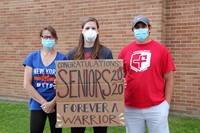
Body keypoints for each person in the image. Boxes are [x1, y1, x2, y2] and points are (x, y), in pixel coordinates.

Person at [118, 15, 176, 133]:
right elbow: (118, 77)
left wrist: (166, 105)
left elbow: (169, 78)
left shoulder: (162, 50)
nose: (140, 29)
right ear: (132, 30)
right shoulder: (125, 51)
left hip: (156, 106)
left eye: (143, 26)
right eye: (137, 27)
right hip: (131, 107)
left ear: (150, 28)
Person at [67, 17, 113, 133]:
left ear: (98, 31)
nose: (90, 30)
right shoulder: (72, 54)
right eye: (87, 28)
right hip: (77, 104)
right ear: (82, 30)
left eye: (93, 28)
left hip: (100, 104)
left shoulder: (106, 52)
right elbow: (67, 80)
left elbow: (111, 79)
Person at [23, 26, 67, 133]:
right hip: (37, 103)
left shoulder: (62, 59)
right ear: (40, 39)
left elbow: (66, 86)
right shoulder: (32, 57)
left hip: (56, 103)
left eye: (50, 37)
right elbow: (27, 84)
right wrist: (44, 103)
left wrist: (52, 103)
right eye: (45, 37)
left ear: (55, 39)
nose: (48, 40)